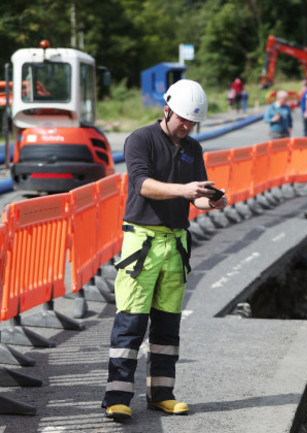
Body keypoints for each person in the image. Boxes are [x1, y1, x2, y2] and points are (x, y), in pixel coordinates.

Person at [102, 79, 227, 422]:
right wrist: (184, 190)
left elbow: (198, 196)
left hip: (174, 245)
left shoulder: (193, 148)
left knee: (167, 326)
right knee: (130, 320)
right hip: (141, 243)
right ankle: (117, 396)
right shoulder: (140, 140)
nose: (186, 126)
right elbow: (143, 185)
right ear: (167, 109)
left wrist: (212, 201)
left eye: (192, 122)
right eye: (182, 119)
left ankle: (162, 394)